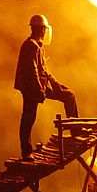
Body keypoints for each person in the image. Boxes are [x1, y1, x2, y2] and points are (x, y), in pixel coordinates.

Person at [14, 13, 78, 159]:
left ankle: (76, 131)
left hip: (39, 86)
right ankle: (26, 152)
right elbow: (32, 71)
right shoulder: (30, 46)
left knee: (69, 95)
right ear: (42, 30)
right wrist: (38, 90)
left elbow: (44, 70)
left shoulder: (38, 46)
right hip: (31, 88)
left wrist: (56, 85)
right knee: (28, 118)